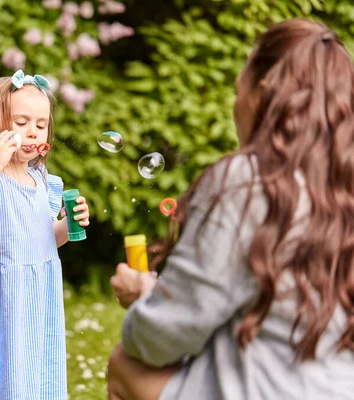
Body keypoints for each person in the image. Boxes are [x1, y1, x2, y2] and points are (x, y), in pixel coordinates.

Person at [107, 18, 354, 400]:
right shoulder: (342, 186)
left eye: (239, 88)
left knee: (125, 362)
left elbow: (161, 339)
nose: (236, 103)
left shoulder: (251, 180)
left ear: (263, 91)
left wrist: (143, 299)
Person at [0, 69, 90, 399]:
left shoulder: (44, 181)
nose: (32, 132)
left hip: (38, 298)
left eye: (41, 125)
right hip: (1, 300)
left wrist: (68, 225)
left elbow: (44, 238)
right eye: (21, 123)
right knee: (5, 376)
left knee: (38, 372)